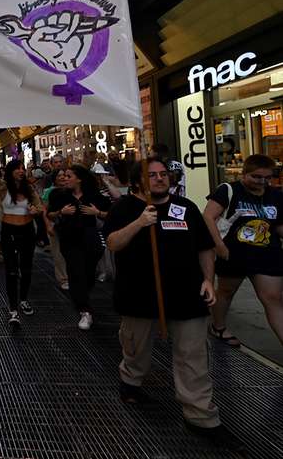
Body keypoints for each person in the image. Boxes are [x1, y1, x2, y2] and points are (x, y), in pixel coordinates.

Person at [103, 160, 243, 452]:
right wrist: (140, 223)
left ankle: (201, 416)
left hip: (187, 296)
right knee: (136, 347)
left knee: (193, 356)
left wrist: (208, 279)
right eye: (151, 175)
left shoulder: (187, 207)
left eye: (163, 174)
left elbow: (204, 247)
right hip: (139, 297)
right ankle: (131, 381)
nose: (158, 179)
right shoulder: (125, 208)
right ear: (138, 180)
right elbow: (114, 243)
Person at [204, 153, 283, 347]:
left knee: (273, 298)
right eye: (256, 177)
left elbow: (278, 226)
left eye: (267, 177)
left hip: (267, 254)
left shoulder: (275, 195)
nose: (262, 182)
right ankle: (218, 327)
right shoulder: (229, 190)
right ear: (244, 174)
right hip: (234, 253)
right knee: (226, 292)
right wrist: (219, 246)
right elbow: (208, 216)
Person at [47, 165, 111, 330]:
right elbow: (49, 214)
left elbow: (111, 213)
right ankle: (84, 310)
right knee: (75, 273)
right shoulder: (59, 196)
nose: (65, 179)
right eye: (64, 176)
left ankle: (84, 296)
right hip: (69, 240)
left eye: (69, 176)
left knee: (88, 275)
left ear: (79, 179)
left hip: (90, 240)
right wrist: (61, 212)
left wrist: (97, 213)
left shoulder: (94, 196)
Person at [0, 152, 43, 330]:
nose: (21, 171)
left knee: (25, 269)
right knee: (11, 271)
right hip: (9, 231)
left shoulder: (29, 189)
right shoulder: (3, 188)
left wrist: (36, 211)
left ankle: (23, 299)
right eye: (17, 168)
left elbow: (39, 206)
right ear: (10, 172)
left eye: (22, 168)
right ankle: (13, 310)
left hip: (27, 231)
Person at [41, 169, 69, 290]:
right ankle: (63, 278)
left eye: (65, 175)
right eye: (60, 176)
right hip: (54, 224)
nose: (63, 178)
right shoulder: (49, 192)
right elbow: (45, 211)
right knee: (58, 253)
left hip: (68, 226)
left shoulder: (70, 190)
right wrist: (48, 225)